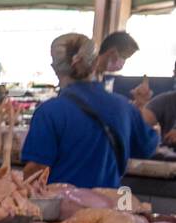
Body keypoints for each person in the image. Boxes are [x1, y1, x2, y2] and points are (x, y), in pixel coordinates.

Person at [21, 32, 157, 188]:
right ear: (94, 63)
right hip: (108, 208)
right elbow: (147, 148)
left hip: (61, 209)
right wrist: (141, 105)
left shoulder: (49, 112)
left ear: (55, 68)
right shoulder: (124, 107)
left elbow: (36, 172)